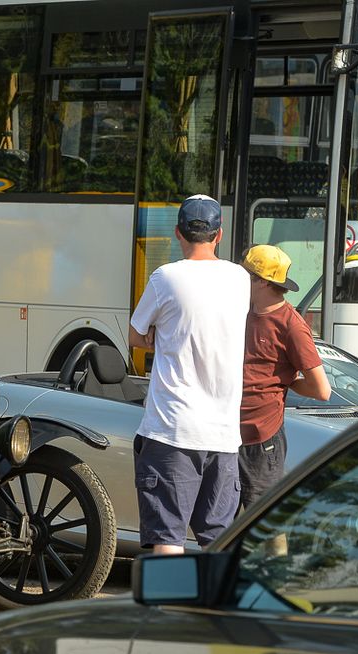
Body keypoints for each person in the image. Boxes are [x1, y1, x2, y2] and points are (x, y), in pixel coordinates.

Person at [128, 195, 250, 554]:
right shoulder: (240, 279)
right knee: (218, 539)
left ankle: (168, 610)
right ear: (219, 235)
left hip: (172, 430)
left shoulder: (166, 277)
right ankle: (215, 610)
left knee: (167, 537)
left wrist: (164, 337)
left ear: (178, 233)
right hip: (224, 437)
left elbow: (136, 334)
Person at [238, 245, 330, 510]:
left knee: (263, 525)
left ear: (263, 282)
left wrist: (283, 380)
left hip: (261, 441)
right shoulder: (240, 312)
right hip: (227, 434)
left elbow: (322, 390)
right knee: (222, 525)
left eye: (246, 275)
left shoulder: (292, 325)